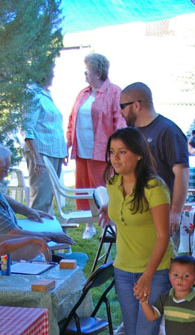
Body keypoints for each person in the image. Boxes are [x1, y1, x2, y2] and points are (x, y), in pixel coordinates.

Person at [100, 128, 174, 335]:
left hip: (154, 273)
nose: (115, 158)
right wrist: (109, 208)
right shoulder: (113, 183)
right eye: (112, 151)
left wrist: (147, 276)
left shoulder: (155, 188)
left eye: (122, 152)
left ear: (139, 154)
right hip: (123, 269)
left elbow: (162, 236)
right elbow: (122, 215)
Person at [0, 142, 74, 250]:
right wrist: (52, 236)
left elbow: (0, 196)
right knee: (74, 257)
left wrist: (28, 211)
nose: (6, 175)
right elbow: (12, 234)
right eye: (5, 170)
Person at [120, 82, 190, 235]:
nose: (120, 112)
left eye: (122, 106)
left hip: (160, 212)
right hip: (136, 212)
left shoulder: (168, 131)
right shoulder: (132, 133)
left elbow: (182, 173)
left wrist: (176, 212)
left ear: (136, 105)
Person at [66, 52, 126, 219]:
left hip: (102, 151)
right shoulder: (83, 93)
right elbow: (72, 119)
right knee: (83, 187)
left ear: (99, 73)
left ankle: (107, 220)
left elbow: (119, 122)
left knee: (102, 187)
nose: (85, 74)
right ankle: (89, 223)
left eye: (88, 71)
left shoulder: (114, 92)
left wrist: (117, 150)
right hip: (81, 149)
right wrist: (68, 142)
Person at [22, 70, 68, 214]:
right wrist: (37, 157)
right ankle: (36, 234)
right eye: (51, 72)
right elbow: (27, 128)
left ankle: (47, 234)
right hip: (41, 153)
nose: (53, 75)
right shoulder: (32, 94)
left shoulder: (46, 94)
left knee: (48, 199)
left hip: (54, 153)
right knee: (40, 200)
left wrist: (62, 151)